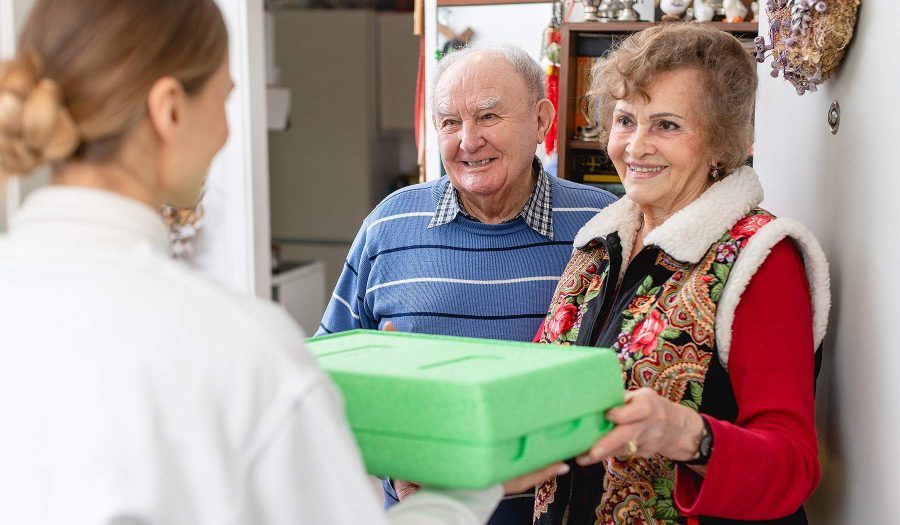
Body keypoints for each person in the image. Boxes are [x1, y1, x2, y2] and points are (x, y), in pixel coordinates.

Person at [0, 1, 564, 523]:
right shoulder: (235, 344)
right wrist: (469, 488)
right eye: (225, 100)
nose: (226, 132)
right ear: (170, 110)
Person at [531, 24, 830, 525]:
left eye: (667, 125)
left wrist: (686, 434)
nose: (636, 146)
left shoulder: (760, 257)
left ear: (721, 143)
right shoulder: (597, 247)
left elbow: (793, 465)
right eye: (625, 120)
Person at [316, 43, 617, 522]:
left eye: (488, 117)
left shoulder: (603, 228)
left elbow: (632, 377)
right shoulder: (389, 224)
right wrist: (391, 461)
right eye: (449, 123)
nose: (467, 141)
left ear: (542, 120)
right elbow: (323, 382)